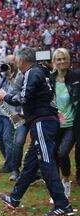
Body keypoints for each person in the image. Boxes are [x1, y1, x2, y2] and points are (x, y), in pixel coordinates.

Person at [0, 47, 74, 216]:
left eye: (17, 59)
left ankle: (63, 204)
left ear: (22, 61)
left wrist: (5, 95)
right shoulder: (42, 71)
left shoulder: (32, 72)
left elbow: (23, 98)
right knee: (31, 163)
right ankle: (15, 198)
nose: (15, 62)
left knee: (46, 162)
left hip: (42, 121)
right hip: (44, 120)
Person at [49, 48, 80, 195]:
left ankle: (66, 181)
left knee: (62, 153)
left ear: (68, 61)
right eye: (59, 59)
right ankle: (57, 186)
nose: (62, 61)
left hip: (71, 124)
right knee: (54, 154)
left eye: (64, 59)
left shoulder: (75, 77)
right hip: (54, 124)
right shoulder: (49, 79)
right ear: (54, 62)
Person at [0, 55, 17, 174]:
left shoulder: (19, 75)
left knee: (7, 138)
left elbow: (17, 89)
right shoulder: (1, 76)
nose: (8, 66)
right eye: (7, 63)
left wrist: (10, 75)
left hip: (11, 113)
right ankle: (9, 161)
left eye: (11, 64)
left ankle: (10, 165)